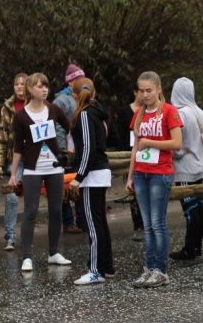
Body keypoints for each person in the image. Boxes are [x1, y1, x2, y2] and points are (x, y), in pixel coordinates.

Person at [8, 73, 72, 271]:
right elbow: (18, 147)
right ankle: (27, 257)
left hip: (54, 167)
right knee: (31, 211)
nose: (44, 90)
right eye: (39, 86)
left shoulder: (53, 109)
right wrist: (13, 174)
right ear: (30, 89)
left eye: (46, 86)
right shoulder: (20, 116)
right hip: (32, 169)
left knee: (56, 210)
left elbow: (70, 127)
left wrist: (70, 147)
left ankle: (54, 253)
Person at [126, 71, 183, 288]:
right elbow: (135, 148)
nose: (145, 94)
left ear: (159, 89)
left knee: (158, 223)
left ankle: (161, 270)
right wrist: (130, 176)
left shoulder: (169, 111)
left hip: (161, 173)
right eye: (141, 91)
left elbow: (177, 143)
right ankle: (150, 269)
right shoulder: (139, 114)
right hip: (141, 173)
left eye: (149, 90)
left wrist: (150, 142)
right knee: (147, 224)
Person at [69, 78, 114, 285]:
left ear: (74, 94)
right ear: (93, 93)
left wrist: (79, 177)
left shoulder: (85, 114)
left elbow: (88, 148)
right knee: (100, 222)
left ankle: (95, 270)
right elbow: (111, 140)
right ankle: (107, 266)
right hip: (99, 172)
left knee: (93, 225)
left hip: (92, 175)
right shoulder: (100, 112)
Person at [170, 77, 203, 260]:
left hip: (185, 169)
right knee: (199, 206)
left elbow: (175, 144)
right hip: (199, 166)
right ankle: (197, 246)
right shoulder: (200, 112)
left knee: (190, 209)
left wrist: (178, 154)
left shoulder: (179, 114)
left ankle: (189, 249)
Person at [0, 72, 27, 251]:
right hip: (15, 158)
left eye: (22, 83)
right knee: (12, 197)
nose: (19, 86)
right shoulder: (7, 107)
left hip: (34, 157)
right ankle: (10, 237)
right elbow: (2, 134)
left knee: (32, 198)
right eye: (16, 84)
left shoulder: (37, 104)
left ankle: (28, 236)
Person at [54, 63, 86, 235]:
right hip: (67, 151)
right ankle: (68, 222)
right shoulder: (61, 101)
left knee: (79, 184)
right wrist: (63, 152)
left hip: (79, 149)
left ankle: (82, 221)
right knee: (65, 187)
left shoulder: (80, 97)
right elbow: (58, 128)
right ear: (71, 82)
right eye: (80, 80)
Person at [116, 83, 145, 241]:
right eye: (141, 91)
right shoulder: (125, 112)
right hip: (130, 156)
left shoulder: (151, 111)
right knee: (134, 192)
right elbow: (120, 137)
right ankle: (138, 226)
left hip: (149, 155)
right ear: (135, 92)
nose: (144, 95)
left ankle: (151, 224)